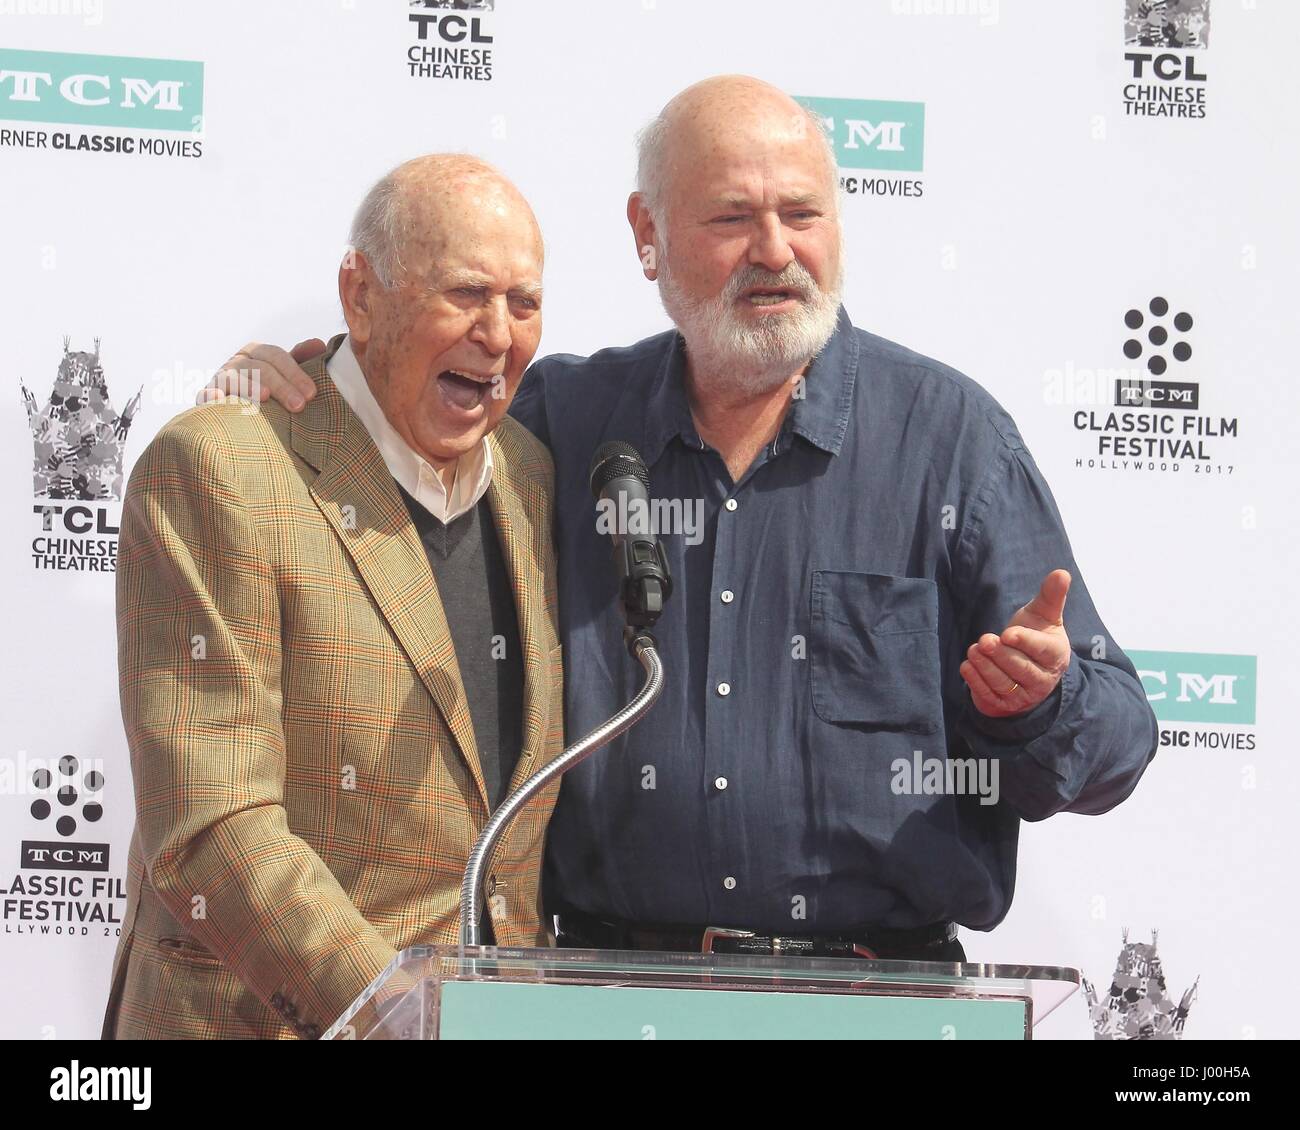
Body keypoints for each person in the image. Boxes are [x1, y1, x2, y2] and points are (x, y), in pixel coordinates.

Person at [204, 76, 1158, 965]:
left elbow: (1118, 743)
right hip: (603, 988)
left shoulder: (949, 440)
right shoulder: (558, 426)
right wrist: (298, 389)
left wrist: (1040, 706)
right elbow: (400, 428)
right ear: (646, 231)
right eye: (734, 218)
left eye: (803, 215)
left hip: (878, 997)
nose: (777, 251)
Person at [104, 154, 563, 1039]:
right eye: (466, 293)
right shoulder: (220, 466)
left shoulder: (536, 476)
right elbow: (210, 827)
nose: (499, 334)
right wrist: (403, 1010)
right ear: (360, 295)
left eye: (525, 301)